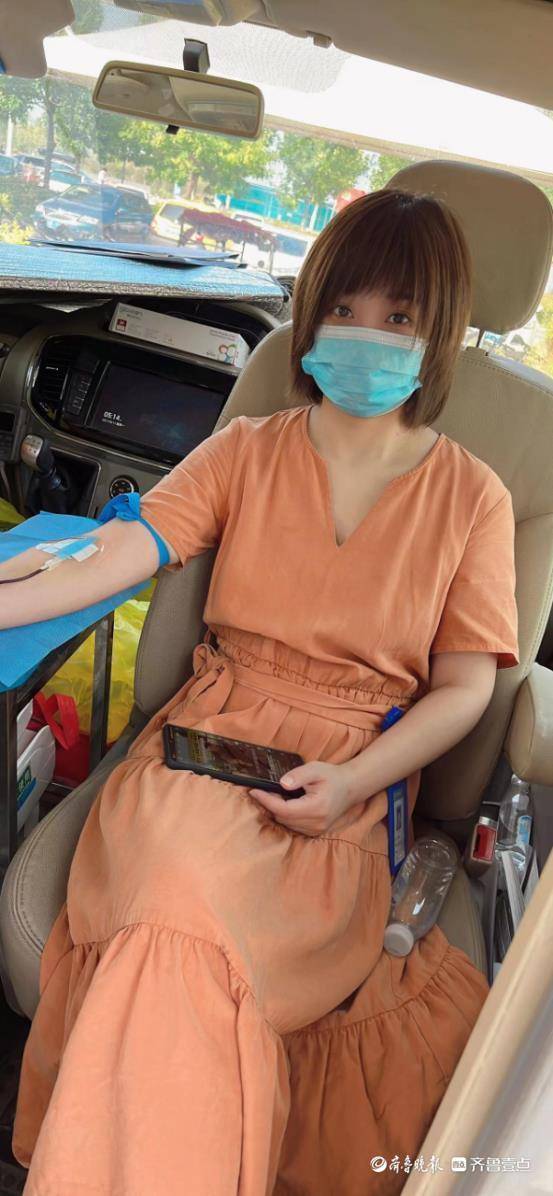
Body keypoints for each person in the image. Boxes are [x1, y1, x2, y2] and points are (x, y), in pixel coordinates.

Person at [2, 189, 518, 1195]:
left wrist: (355, 779)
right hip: (202, 745)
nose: (366, 335)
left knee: (192, 939)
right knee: (175, 903)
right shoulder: (246, 448)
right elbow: (117, 553)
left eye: (400, 316)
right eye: (345, 309)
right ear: (312, 315)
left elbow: (463, 690)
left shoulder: (474, 498)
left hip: (347, 782)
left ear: (440, 332)